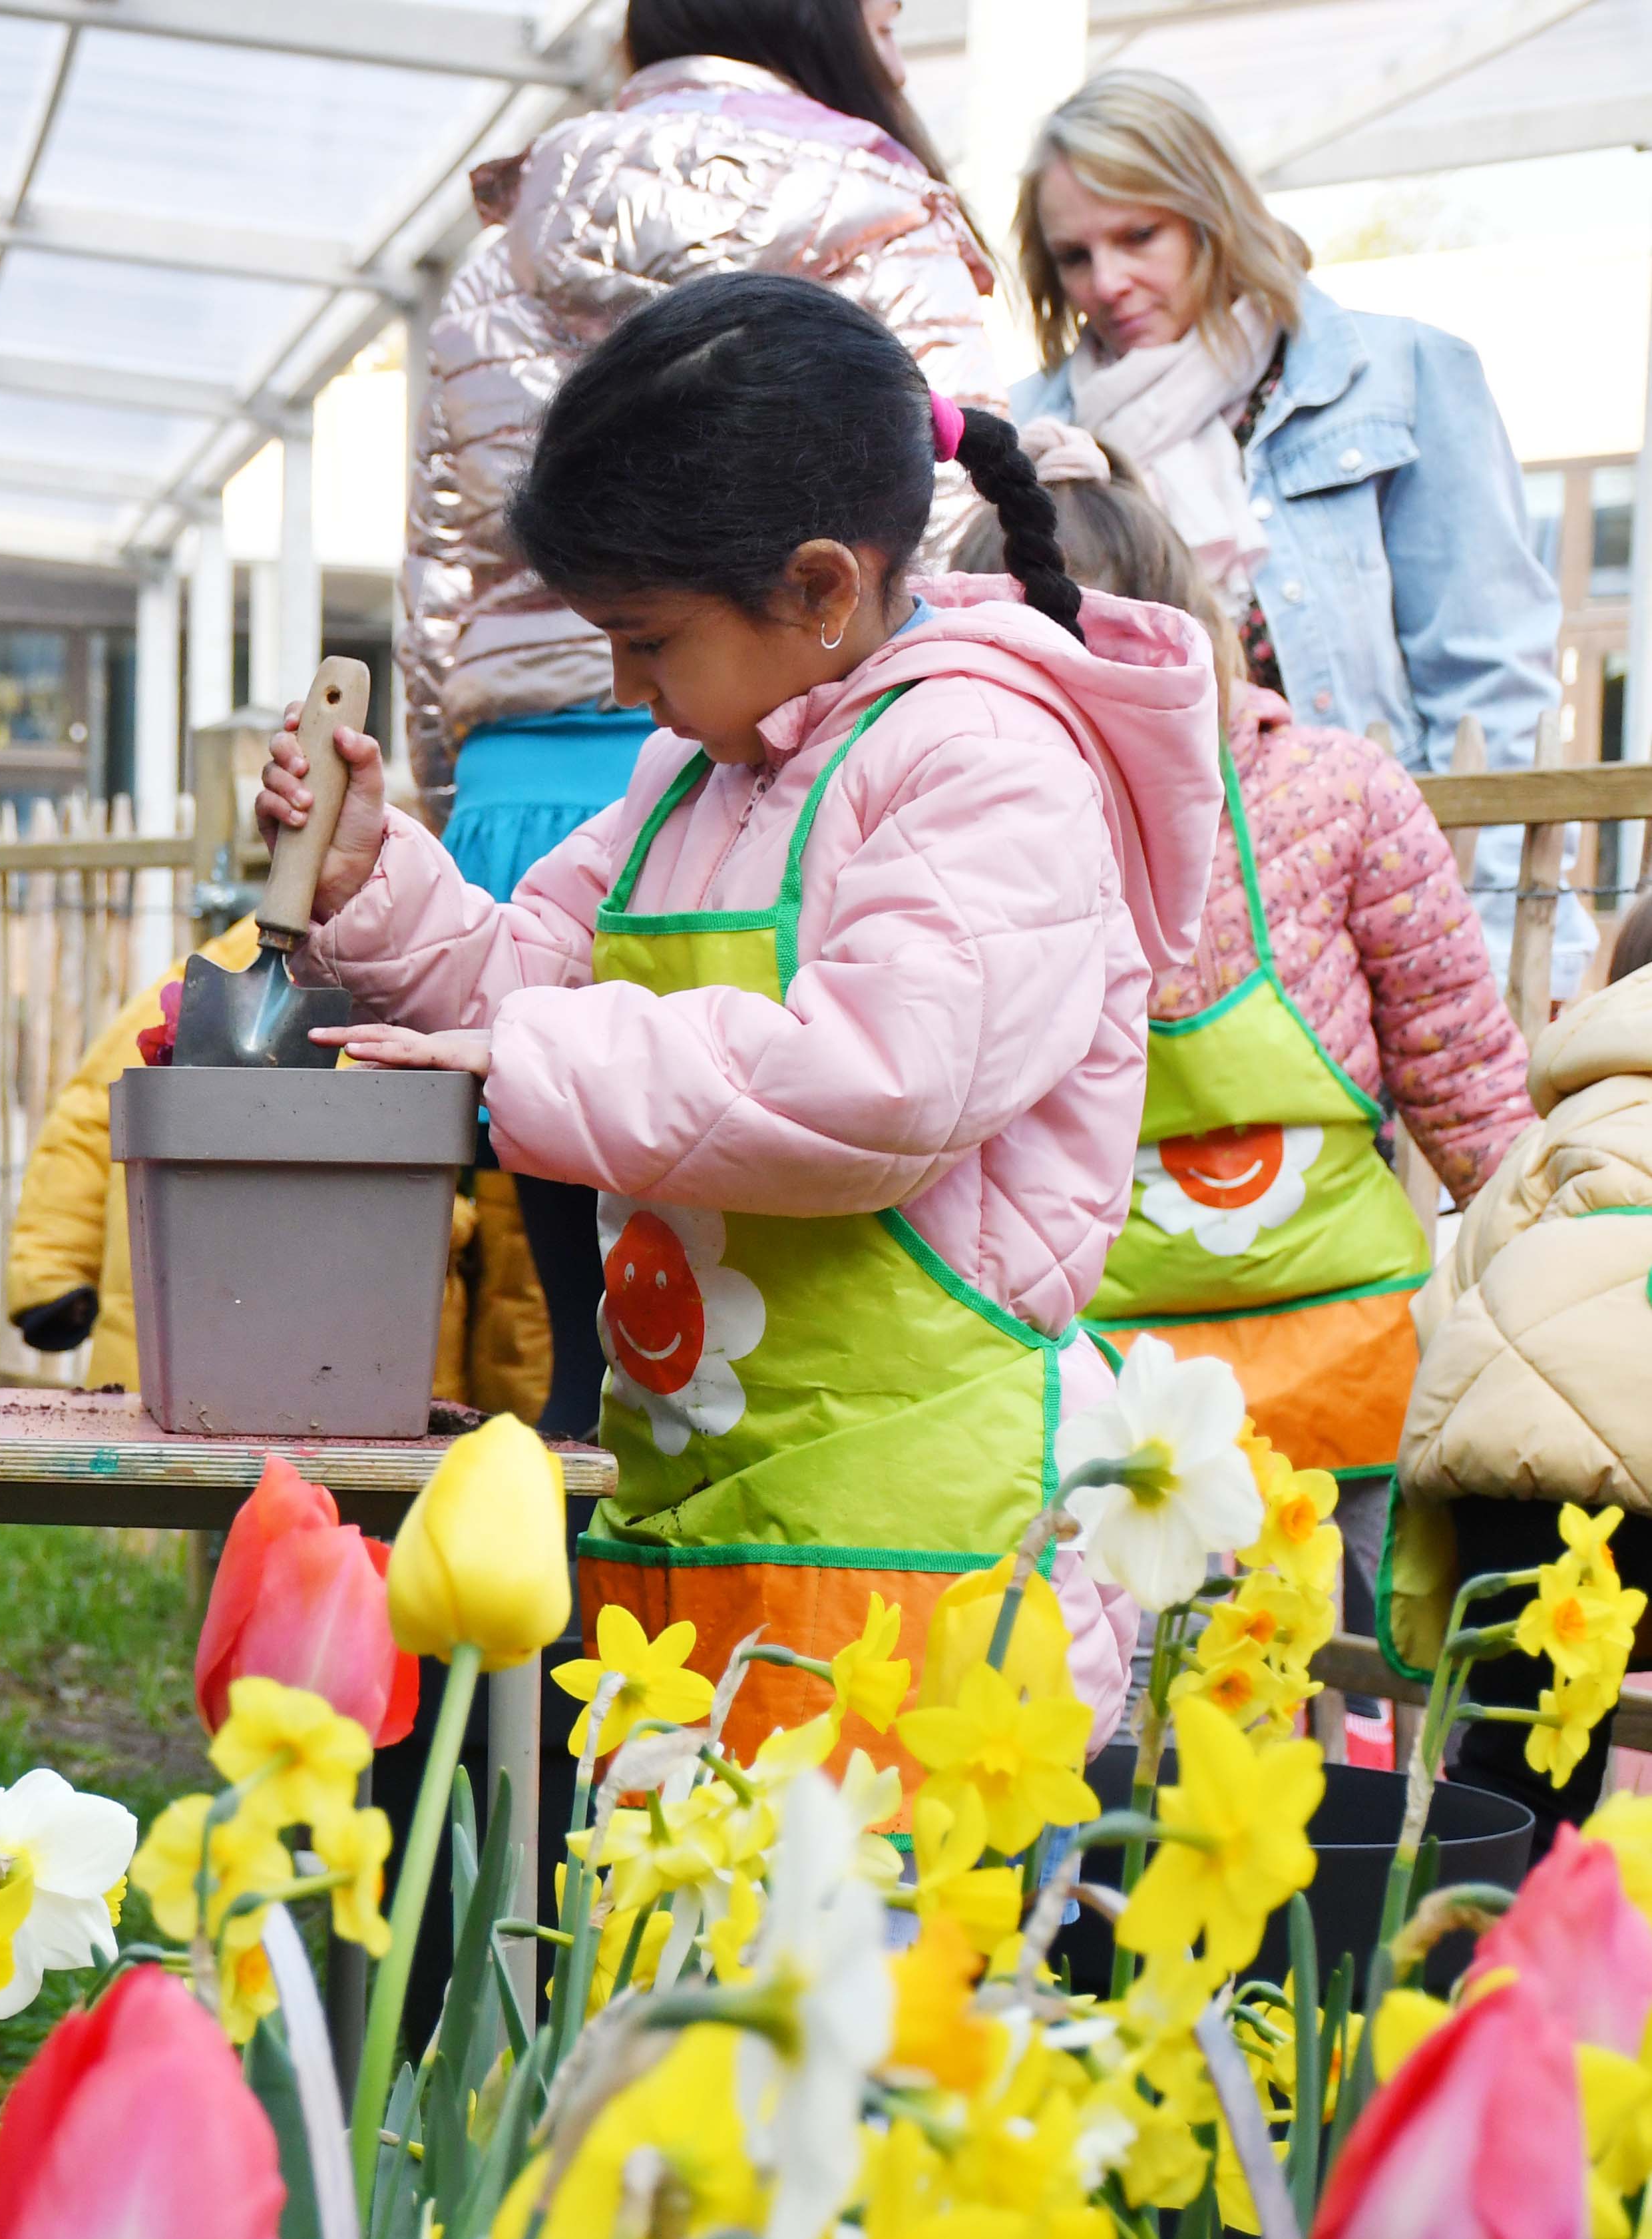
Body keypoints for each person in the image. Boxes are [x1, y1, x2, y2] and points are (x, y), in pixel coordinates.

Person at [264, 272, 1222, 1746]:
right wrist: (373, 885)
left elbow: (885, 1082)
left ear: (824, 588)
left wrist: (527, 1051)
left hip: (923, 1540)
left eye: (650, 638)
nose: (624, 683)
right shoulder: (694, 779)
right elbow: (529, 988)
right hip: (694, 1506)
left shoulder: (985, 765)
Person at [400, 0, 1005, 1442]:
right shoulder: (889, 216)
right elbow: (952, 522)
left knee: (554, 1344)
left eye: (641, 640)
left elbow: (438, 573)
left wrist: (441, 779)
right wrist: (373, 878)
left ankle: (530, 1638)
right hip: (725, 754)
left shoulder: (500, 252)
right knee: (617, 1371)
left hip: (523, 779)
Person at [958, 443, 1536, 1630]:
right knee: (1138, 1675)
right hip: (1104, 1366)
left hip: (1352, 1349)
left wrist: (1551, 1262)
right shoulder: (970, 825)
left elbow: (1461, 1070)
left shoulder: (1328, 793)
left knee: (1393, 1663)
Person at [1005, 70, 1579, 983]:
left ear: (1213, 211)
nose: (1106, 282)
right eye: (1075, 255)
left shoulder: (1398, 377)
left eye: (1139, 235)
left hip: (1375, 913)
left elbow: (1490, 687)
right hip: (1139, 933)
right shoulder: (1032, 434)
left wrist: (1492, 946)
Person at [1396, 889, 1652, 1826]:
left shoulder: (1587, 1106)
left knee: (1515, 1760)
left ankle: (1468, 1957)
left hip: (1524, 1460)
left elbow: (1454, 1291)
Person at [2, 915, 551, 1417]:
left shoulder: (474, 983)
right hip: (212, 1312)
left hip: (371, 1355)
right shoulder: (236, 973)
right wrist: (50, 1270)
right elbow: (93, 1109)